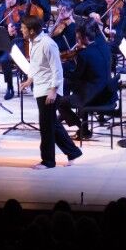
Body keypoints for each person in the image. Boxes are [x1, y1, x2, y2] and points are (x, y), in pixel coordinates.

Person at [18, 15, 82, 169]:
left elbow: (57, 69)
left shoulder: (48, 44)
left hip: (48, 89)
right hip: (40, 87)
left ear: (32, 31)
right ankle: (73, 152)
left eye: (23, 28)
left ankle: (48, 161)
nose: (21, 30)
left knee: (46, 126)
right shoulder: (33, 42)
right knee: (51, 123)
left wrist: (53, 91)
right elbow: (36, 65)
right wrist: (29, 80)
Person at [57, 21, 113, 140]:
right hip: (107, 91)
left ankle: (83, 129)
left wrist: (62, 69)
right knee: (69, 85)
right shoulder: (104, 46)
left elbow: (77, 76)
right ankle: (69, 116)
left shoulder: (85, 54)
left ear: (85, 38)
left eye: (78, 38)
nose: (77, 41)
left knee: (60, 102)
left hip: (94, 95)